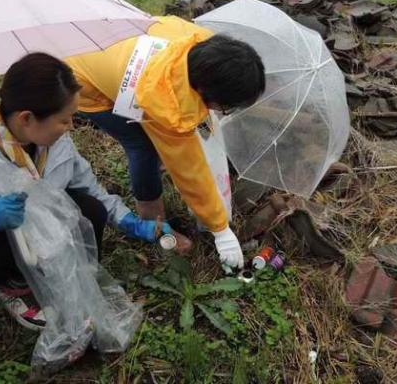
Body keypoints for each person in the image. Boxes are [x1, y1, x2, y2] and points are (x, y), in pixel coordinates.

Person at [0, 53, 186, 331]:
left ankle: (61, 274)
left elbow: (90, 188)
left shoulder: (56, 142)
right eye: (64, 120)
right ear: (27, 118)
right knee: (8, 243)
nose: (71, 127)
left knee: (91, 210)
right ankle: (12, 284)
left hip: (39, 238)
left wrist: (132, 223)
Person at [65, 15, 265, 270]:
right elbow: (190, 172)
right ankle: (152, 218)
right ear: (206, 91)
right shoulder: (170, 106)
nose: (223, 111)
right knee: (142, 145)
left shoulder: (200, 42)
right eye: (225, 107)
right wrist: (220, 229)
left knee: (160, 138)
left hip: (98, 41)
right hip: (83, 81)